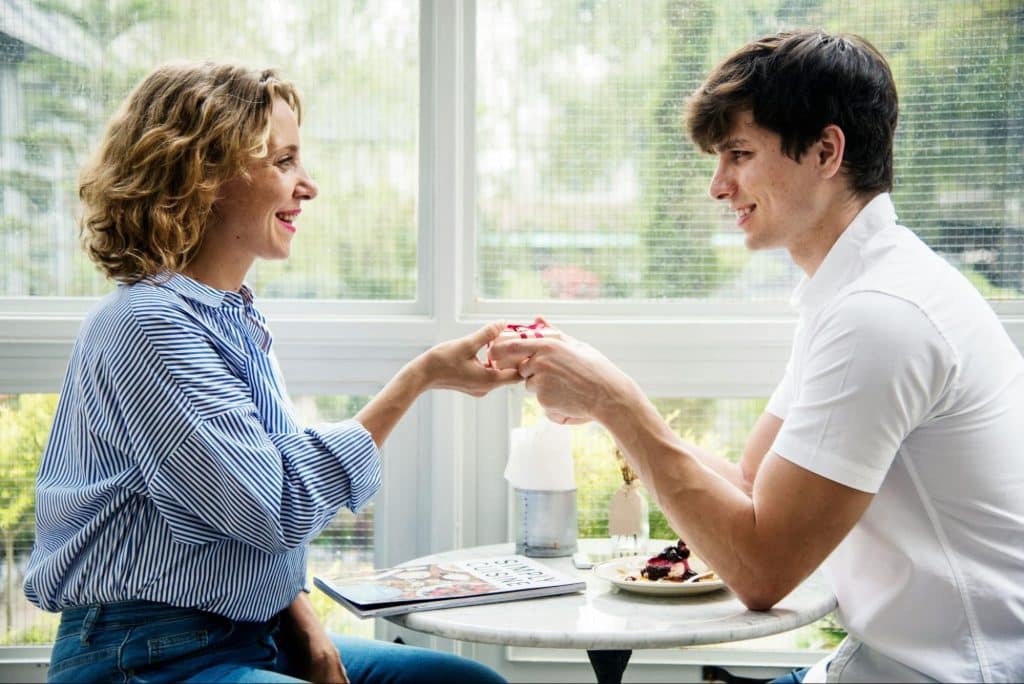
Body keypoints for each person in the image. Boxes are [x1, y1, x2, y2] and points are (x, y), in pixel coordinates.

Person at [490, 31, 1024, 683]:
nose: (719, 186)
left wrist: (616, 401)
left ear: (827, 151)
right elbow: (749, 487)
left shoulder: (880, 316)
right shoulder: (857, 290)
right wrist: (608, 409)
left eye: (739, 154)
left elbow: (761, 569)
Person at [24, 61, 518, 684]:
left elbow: (237, 526)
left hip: (251, 634)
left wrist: (304, 621)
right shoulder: (150, 326)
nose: (307, 186)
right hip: (146, 654)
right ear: (203, 175)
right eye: (282, 162)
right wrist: (417, 379)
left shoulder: (229, 318)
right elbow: (269, 507)